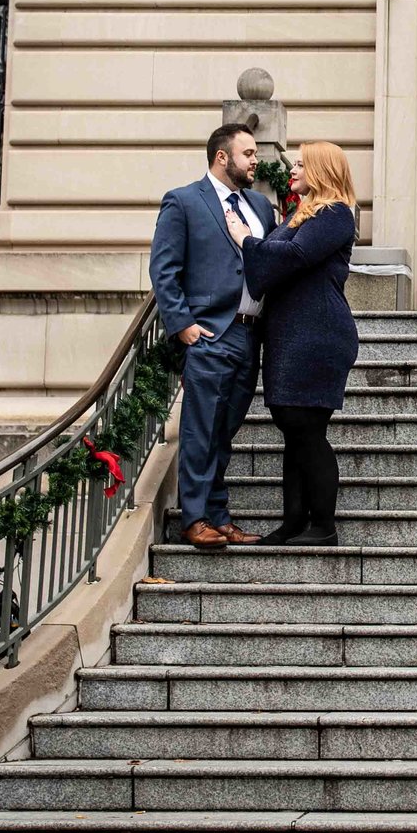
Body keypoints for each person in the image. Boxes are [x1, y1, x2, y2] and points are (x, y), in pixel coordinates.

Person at [149, 122, 282, 550]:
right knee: (200, 429)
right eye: (248, 153)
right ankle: (195, 517)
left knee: (225, 431)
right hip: (209, 334)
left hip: (250, 336)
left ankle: (220, 515)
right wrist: (183, 324)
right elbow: (164, 269)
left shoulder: (261, 208)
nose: (255, 160)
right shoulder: (184, 202)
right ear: (222, 156)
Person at [223, 141, 361, 546]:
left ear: (320, 171)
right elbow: (278, 257)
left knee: (305, 427)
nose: (292, 170)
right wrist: (260, 247)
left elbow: (294, 256)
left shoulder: (335, 213)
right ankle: (293, 522)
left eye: (301, 164)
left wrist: (247, 240)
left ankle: (323, 527)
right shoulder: (301, 213)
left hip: (317, 335)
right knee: (293, 426)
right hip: (292, 334)